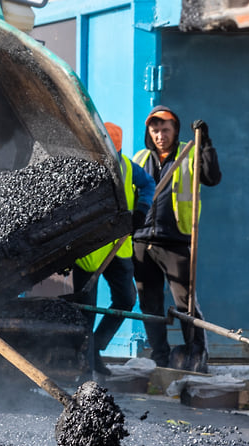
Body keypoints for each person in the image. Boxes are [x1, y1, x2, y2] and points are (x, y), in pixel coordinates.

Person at [132, 106, 221, 373]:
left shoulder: (189, 153)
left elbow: (212, 177)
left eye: (165, 130)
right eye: (155, 130)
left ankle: (196, 353)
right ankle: (161, 356)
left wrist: (206, 145)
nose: (160, 135)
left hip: (176, 238)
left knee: (185, 301)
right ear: (149, 133)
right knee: (149, 303)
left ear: (175, 131)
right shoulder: (139, 158)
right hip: (142, 241)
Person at [69, 122, 153, 376]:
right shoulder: (82, 167)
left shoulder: (127, 166)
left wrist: (141, 210)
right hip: (90, 252)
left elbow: (148, 184)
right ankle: (83, 363)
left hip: (119, 248)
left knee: (126, 300)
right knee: (86, 308)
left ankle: (95, 346)